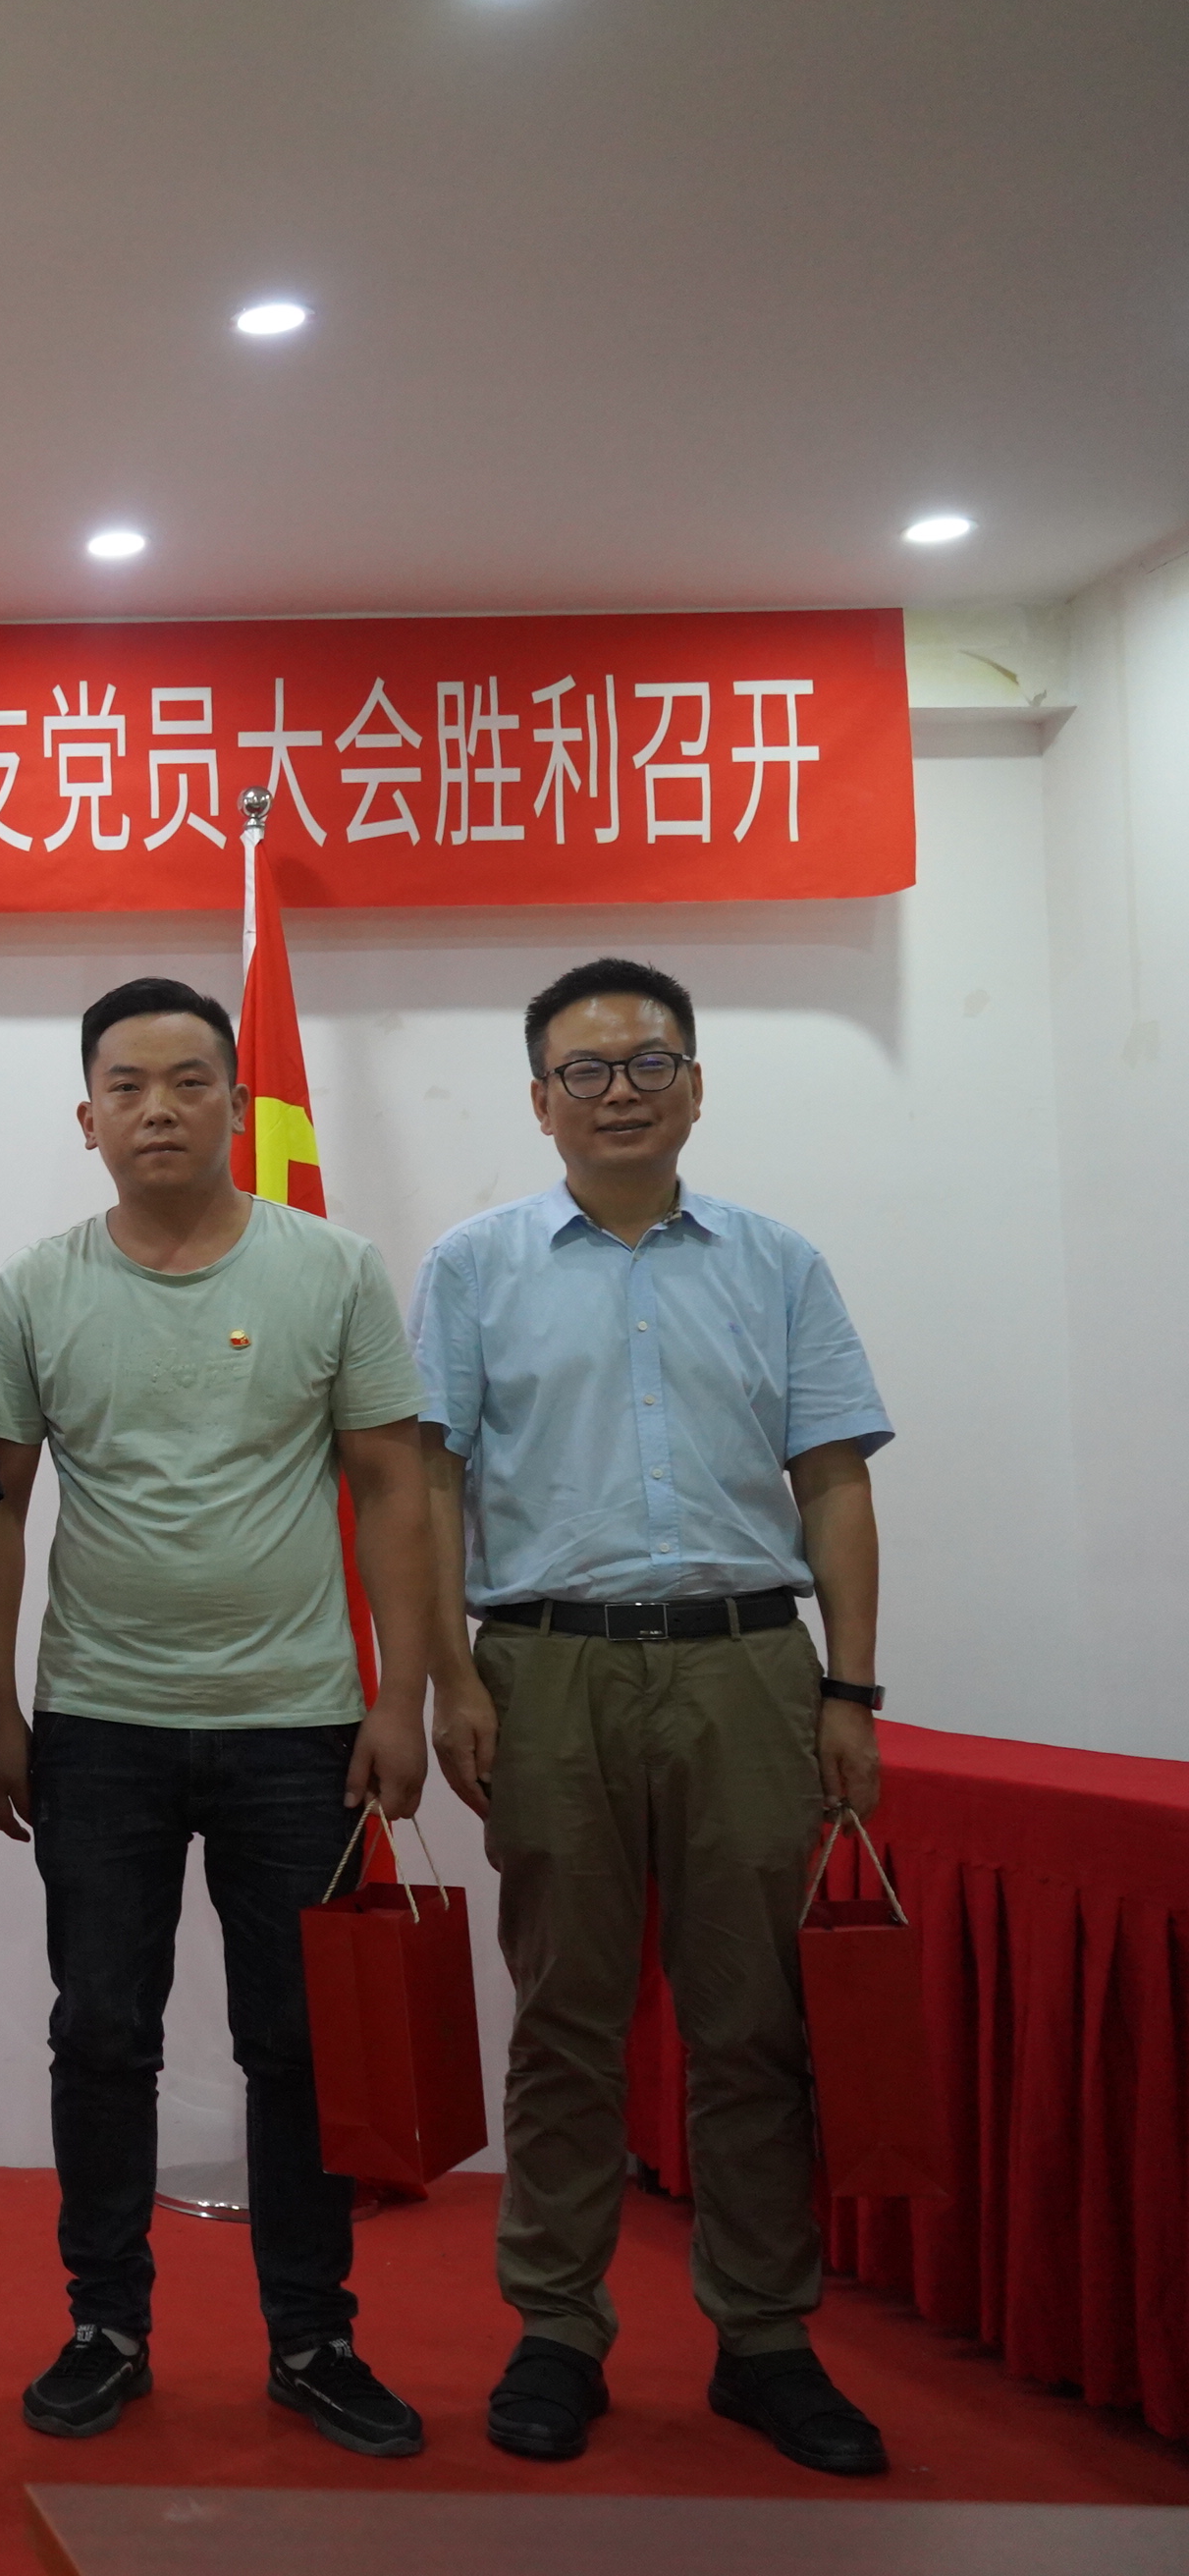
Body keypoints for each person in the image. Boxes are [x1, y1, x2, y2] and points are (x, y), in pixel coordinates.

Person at [414, 959, 894, 2478]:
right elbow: (427, 1485)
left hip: (746, 1666)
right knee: (565, 2016)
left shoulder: (778, 1263)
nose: (618, 1090)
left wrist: (851, 1687)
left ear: (695, 1085)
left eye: (647, 1062)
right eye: (585, 1068)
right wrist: (448, 1678)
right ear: (538, 1099)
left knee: (753, 2020)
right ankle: (558, 2327)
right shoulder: (475, 1266)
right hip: (545, 1669)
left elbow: (834, 1481)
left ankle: (766, 2338)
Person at [0, 978, 438, 2461]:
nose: (157, 1110)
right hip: (99, 1723)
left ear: (236, 1102)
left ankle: (313, 2335)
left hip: (300, 1725)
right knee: (104, 2032)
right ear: (86, 1116)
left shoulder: (331, 1268)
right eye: (128, 1086)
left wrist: (401, 1696)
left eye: (187, 1083)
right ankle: (105, 2324)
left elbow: (393, 1485)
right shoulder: (35, 1289)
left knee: (297, 2042)